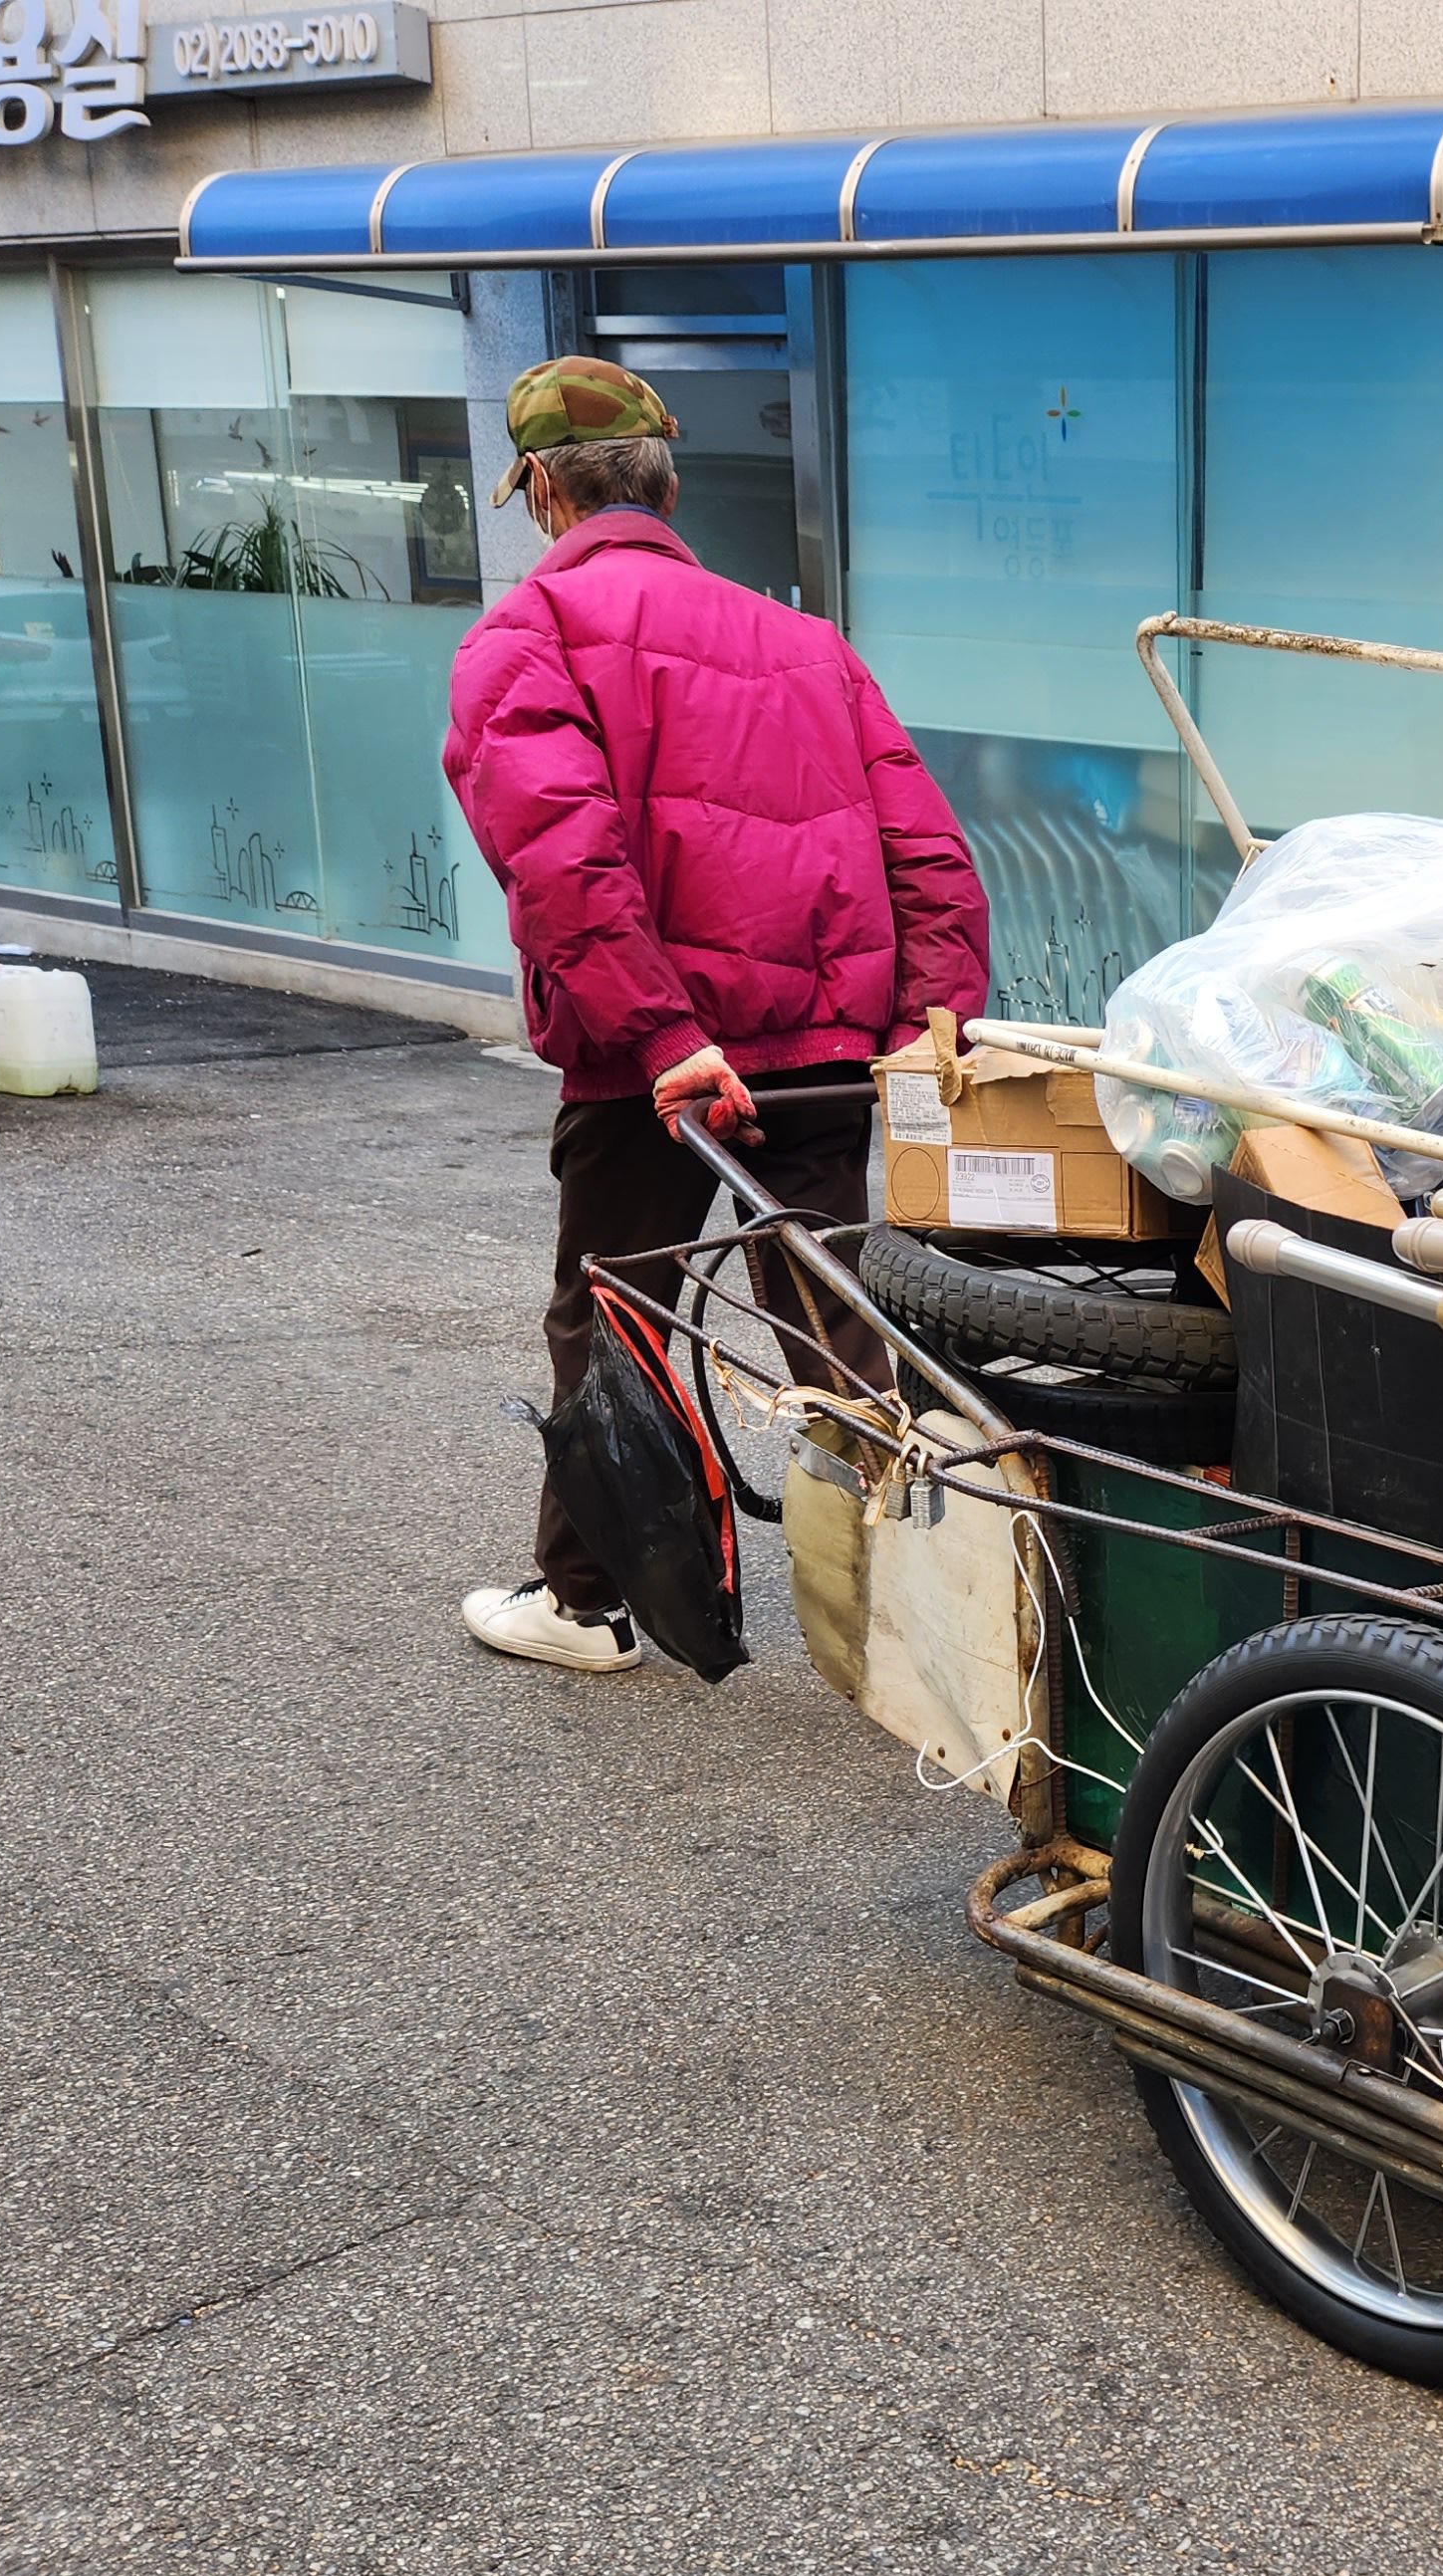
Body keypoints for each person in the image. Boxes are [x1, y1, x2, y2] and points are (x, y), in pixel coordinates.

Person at [442, 358, 989, 1672]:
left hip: (657, 1068)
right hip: (821, 1045)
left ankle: (589, 1606)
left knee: (617, 1304)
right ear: (666, 483)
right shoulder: (805, 642)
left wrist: (662, 1036)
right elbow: (926, 845)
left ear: (541, 497)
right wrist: (933, 1017)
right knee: (836, 1304)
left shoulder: (525, 638)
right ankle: (939, 1614)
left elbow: (562, 862)